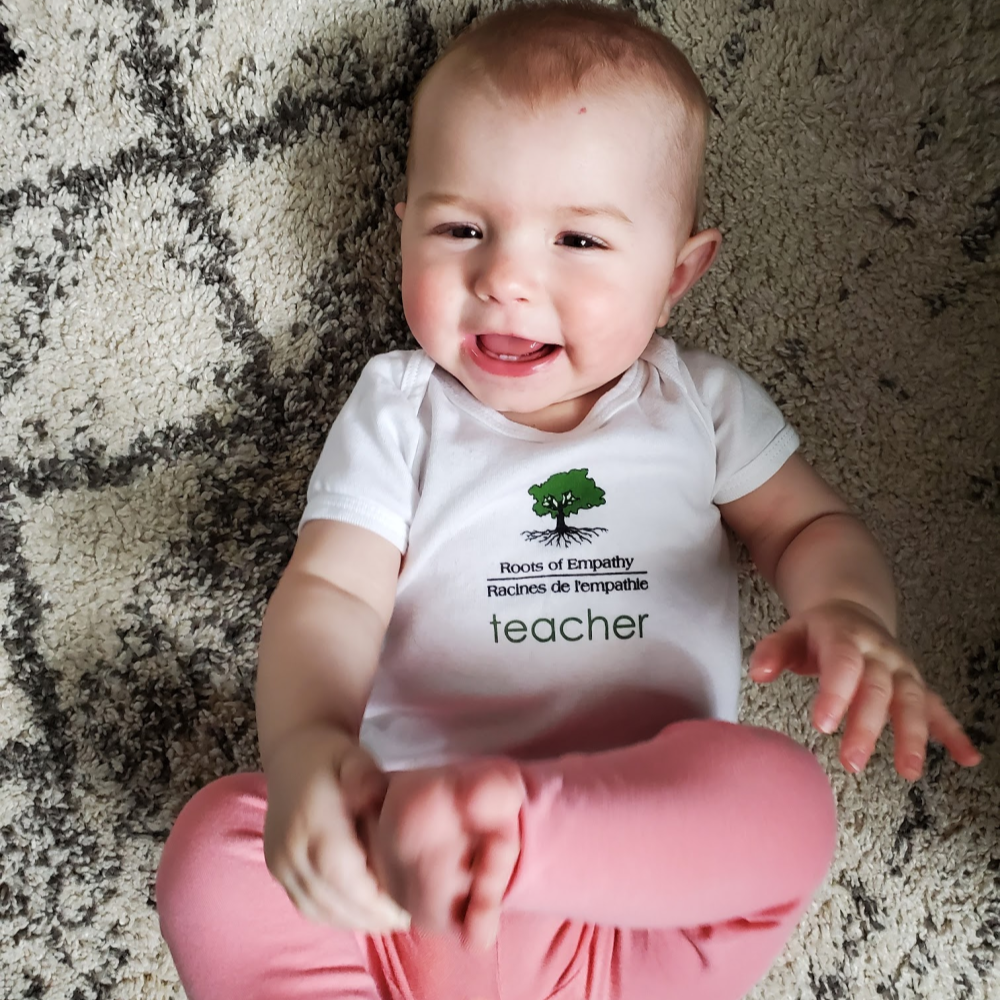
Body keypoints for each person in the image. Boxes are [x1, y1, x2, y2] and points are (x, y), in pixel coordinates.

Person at [156, 3, 982, 998]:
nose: (504, 278)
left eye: (579, 242)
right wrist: (305, 752)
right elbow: (331, 590)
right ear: (404, 231)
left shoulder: (699, 406)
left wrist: (847, 608)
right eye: (460, 227)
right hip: (393, 884)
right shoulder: (400, 408)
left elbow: (807, 525)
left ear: (676, 274)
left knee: (783, 798)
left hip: (627, 903)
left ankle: (525, 828)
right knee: (217, 847)